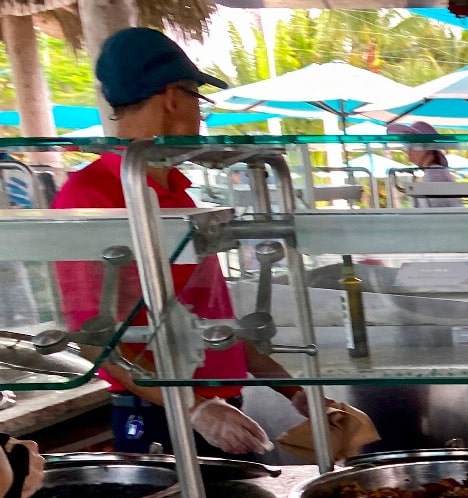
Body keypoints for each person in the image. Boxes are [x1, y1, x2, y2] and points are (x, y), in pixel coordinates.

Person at [52, 27, 307, 456]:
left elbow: (209, 322)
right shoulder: (88, 198)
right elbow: (97, 340)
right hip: (158, 415)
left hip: (221, 409)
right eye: (198, 100)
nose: (200, 116)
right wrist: (192, 408)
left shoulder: (176, 191)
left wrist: (295, 391)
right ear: (172, 96)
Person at [387, 119, 463, 209]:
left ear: (426, 147)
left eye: (411, 145)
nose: (407, 150)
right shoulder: (434, 172)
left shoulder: (435, 174)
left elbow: (437, 215)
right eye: (406, 146)